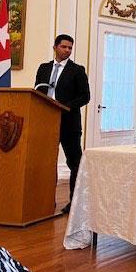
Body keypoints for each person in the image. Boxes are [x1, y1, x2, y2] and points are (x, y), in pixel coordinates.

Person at [35, 34, 90, 214]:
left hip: (69, 124)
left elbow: (85, 96)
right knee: (44, 162)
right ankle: (43, 201)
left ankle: (74, 203)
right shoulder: (43, 68)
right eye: (64, 47)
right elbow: (37, 91)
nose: (67, 50)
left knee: (75, 163)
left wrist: (64, 106)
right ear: (55, 47)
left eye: (70, 48)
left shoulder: (77, 70)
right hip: (45, 122)